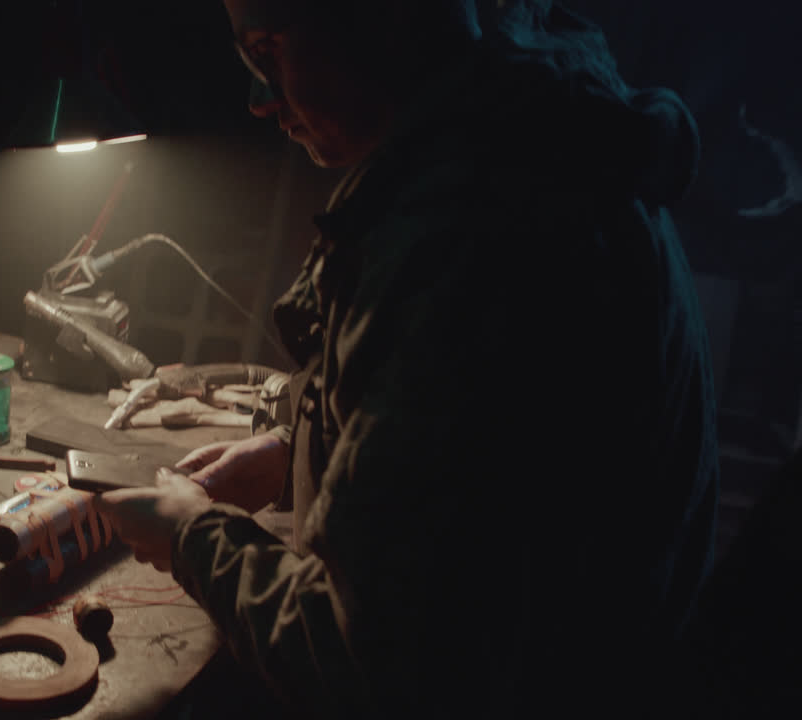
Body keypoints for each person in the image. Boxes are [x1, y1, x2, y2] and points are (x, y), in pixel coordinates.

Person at [93, 0, 720, 716]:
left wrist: (189, 539)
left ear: (382, 20)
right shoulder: (558, 138)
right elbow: (491, 456)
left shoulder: (461, 237)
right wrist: (293, 447)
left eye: (269, 51)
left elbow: (365, 668)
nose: (260, 100)